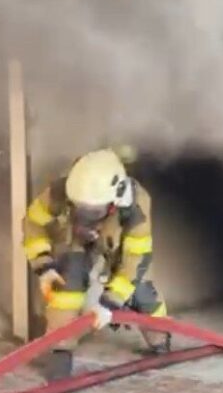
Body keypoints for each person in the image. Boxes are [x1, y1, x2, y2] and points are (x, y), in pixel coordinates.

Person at [22, 147, 170, 380]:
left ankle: (160, 339)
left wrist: (111, 302)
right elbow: (33, 222)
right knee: (66, 286)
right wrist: (43, 266)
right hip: (77, 240)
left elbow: (136, 259)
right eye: (80, 208)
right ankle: (60, 349)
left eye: (94, 211)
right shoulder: (62, 190)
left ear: (114, 201)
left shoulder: (137, 206)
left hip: (118, 245)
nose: (86, 216)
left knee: (142, 291)